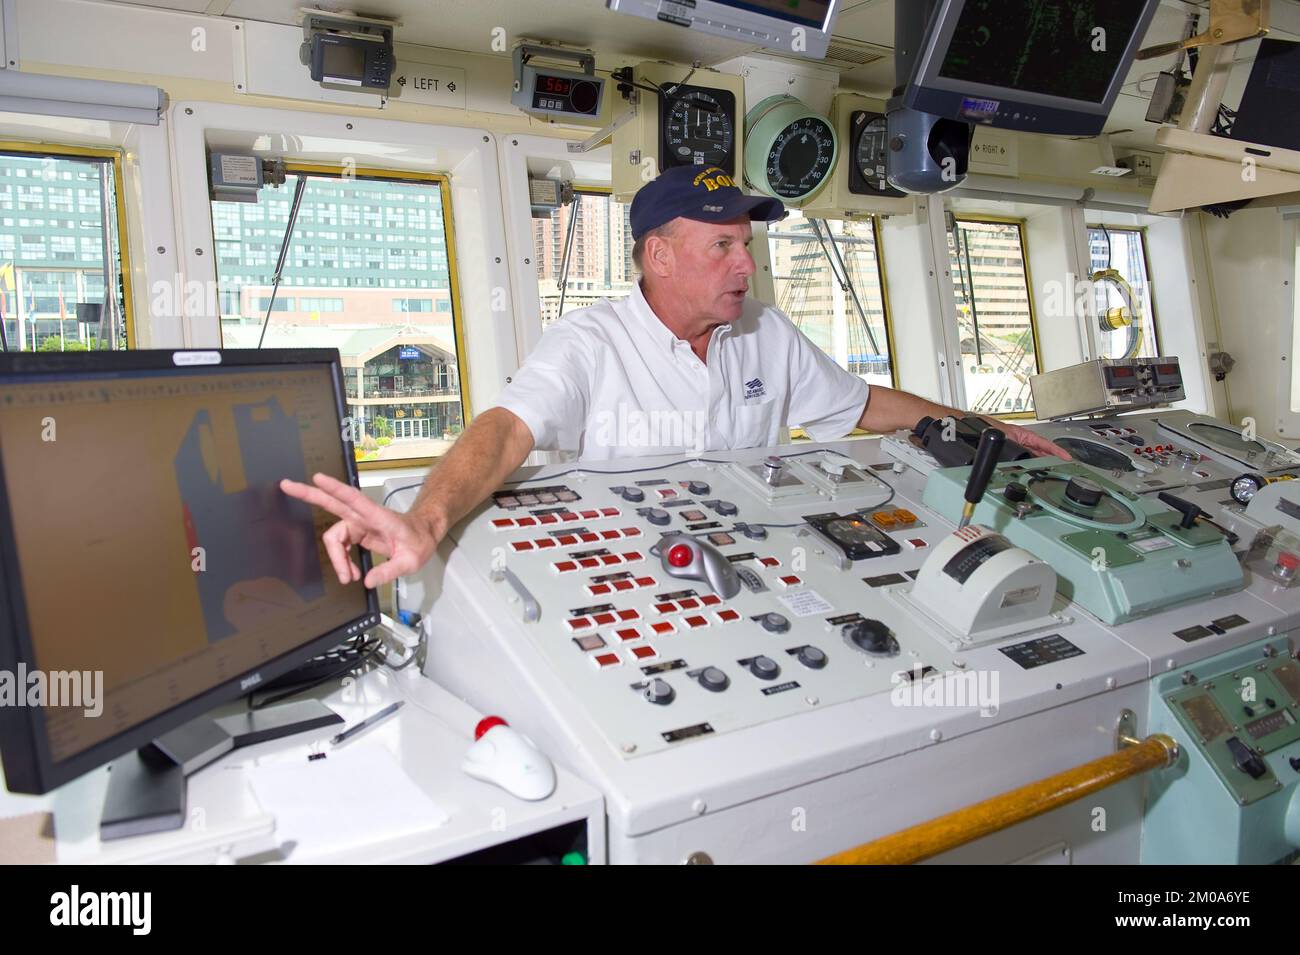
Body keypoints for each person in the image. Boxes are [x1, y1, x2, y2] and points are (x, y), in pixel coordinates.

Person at [281, 165, 1068, 589]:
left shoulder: (765, 331)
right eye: (721, 246)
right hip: (624, 578)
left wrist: (980, 426)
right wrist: (424, 518)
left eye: (745, 244)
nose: (744, 262)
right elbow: (505, 431)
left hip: (761, 570)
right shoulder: (589, 342)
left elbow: (863, 404)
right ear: (658, 255)